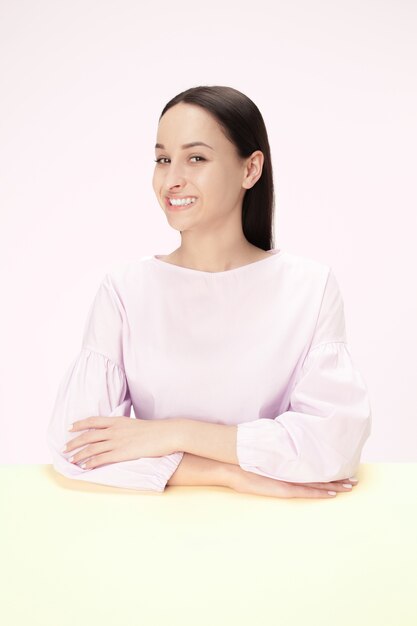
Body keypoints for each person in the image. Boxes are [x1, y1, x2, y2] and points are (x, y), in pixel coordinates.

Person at [46, 85, 371, 499]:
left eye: (196, 158)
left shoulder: (309, 287)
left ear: (250, 169)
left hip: (278, 532)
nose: (172, 179)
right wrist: (227, 473)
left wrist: (171, 434)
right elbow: (77, 447)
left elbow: (332, 446)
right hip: (150, 534)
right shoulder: (125, 290)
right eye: (163, 159)